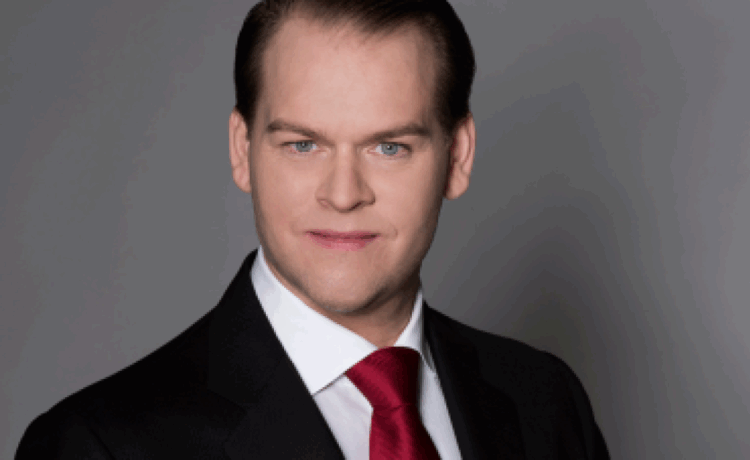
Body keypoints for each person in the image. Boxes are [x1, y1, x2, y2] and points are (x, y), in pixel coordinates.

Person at [16, 0, 610, 458]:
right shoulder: (98, 445)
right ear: (242, 150)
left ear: (458, 156)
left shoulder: (547, 404)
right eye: (303, 145)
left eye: (389, 147)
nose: (343, 194)